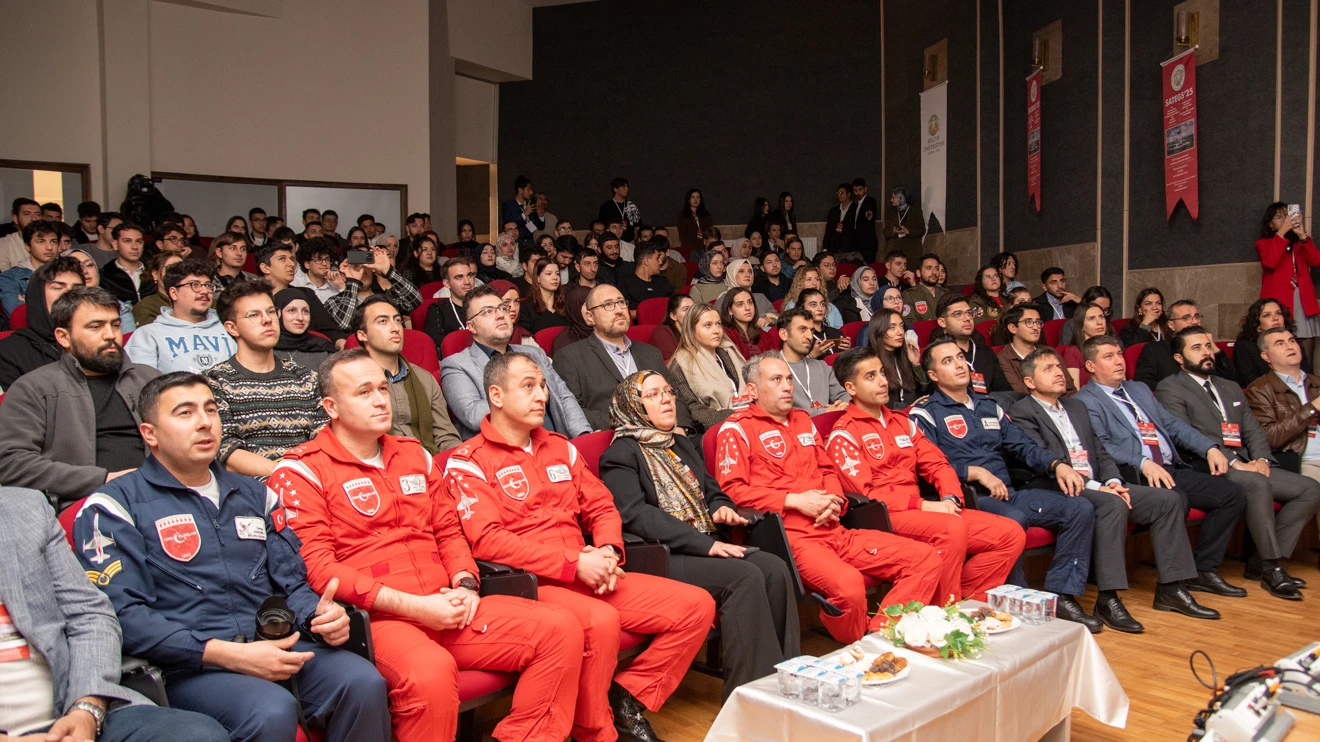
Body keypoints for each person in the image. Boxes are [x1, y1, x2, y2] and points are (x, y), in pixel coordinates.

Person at [269, 351, 581, 741]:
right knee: (431, 672)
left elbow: (449, 531)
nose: (382, 399)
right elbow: (319, 569)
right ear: (331, 407)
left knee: (560, 629)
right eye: (364, 392)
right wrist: (418, 607)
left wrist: (466, 584)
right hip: (379, 619)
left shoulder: (414, 453)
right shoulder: (300, 470)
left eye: (383, 387)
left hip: (445, 602)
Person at [73, 372, 390, 742]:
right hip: (189, 666)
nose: (205, 422)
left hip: (273, 645)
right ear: (150, 433)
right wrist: (226, 654)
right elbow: (125, 617)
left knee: (364, 681)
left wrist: (318, 616)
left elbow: (292, 585)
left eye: (211, 409)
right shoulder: (115, 506)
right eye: (185, 413)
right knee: (271, 708)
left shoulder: (255, 495)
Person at [446, 351, 714, 742]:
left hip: (589, 569)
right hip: (532, 583)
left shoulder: (562, 448)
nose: (542, 395)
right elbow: (489, 541)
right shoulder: (468, 461)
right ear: (496, 396)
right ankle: (595, 731)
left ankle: (626, 699)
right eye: (528, 386)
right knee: (600, 622)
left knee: (696, 607)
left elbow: (603, 507)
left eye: (542, 386)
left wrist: (607, 551)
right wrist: (574, 562)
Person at [600, 370, 800, 700]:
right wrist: (707, 545)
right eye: (653, 395)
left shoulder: (681, 442)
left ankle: (786, 676)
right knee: (744, 576)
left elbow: (712, 489)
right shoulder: (620, 454)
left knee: (773, 567)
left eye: (667, 391)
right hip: (662, 555)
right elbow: (637, 516)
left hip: (706, 541)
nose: (666, 399)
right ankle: (750, 698)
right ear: (632, 406)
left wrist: (721, 507)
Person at [716, 352, 941, 642]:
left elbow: (828, 469)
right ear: (752, 390)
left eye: (788, 379)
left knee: (924, 558)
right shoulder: (736, 429)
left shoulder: (802, 421)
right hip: (792, 540)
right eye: (776, 380)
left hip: (835, 529)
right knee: (849, 586)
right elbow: (732, 491)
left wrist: (835, 500)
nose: (787, 386)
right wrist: (794, 500)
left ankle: (882, 638)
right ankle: (860, 646)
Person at [1009, 347, 1220, 627]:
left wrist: (1113, 481)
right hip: (1060, 487)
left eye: (1059, 366)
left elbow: (1101, 452)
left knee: (1166, 501)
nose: (1059, 372)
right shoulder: (1022, 412)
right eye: (1048, 369)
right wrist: (1099, 487)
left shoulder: (1076, 406)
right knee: (1112, 503)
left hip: (1100, 484)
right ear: (1030, 382)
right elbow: (1039, 460)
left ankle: (1171, 588)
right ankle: (1108, 598)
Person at [0, 486, 231, 741]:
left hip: (70, 706)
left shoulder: (24, 507)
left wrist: (86, 708)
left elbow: (89, 614)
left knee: (197, 736)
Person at [910, 337, 1101, 631]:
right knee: (1015, 520)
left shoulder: (989, 406)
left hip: (1007, 493)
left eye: (960, 357)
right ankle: (1017, 603)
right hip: (966, 498)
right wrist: (972, 472)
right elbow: (922, 466)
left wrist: (1056, 464)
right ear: (933, 375)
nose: (959, 364)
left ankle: (1062, 595)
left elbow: (1023, 446)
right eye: (948, 361)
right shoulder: (924, 412)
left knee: (1080, 508)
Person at [828, 347, 1024, 604]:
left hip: (924, 510)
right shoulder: (844, 434)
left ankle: (962, 603)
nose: (883, 381)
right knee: (951, 528)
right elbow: (868, 496)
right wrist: (925, 505)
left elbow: (939, 465)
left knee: (1011, 533)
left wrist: (951, 498)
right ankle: (945, 609)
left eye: (883, 373)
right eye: (871, 376)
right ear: (851, 388)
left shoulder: (903, 422)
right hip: (886, 515)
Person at [1075, 335, 1249, 599]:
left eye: (1120, 354)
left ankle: (1204, 569)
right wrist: (1142, 462)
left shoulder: (1139, 390)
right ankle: (1173, 584)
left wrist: (1210, 448)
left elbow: (1173, 425)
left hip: (1169, 467)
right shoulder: (1085, 400)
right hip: (1132, 474)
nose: (1119, 361)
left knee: (1231, 494)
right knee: (1174, 500)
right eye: (1108, 357)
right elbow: (1103, 446)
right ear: (1090, 366)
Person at [1157, 327, 1319, 599]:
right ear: (1179, 358)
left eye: (1208, 346)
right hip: (1204, 465)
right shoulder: (1170, 387)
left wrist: (1262, 458)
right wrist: (1235, 462)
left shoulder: (1228, 385)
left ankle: (1259, 561)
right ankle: (1271, 567)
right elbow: (1185, 434)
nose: (1206, 352)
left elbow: (1253, 429)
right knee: (1256, 484)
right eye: (1196, 348)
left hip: (1247, 463)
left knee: (1310, 489)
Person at [0, 286, 156, 508]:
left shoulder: (149, 378)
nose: (110, 335)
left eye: (115, 324)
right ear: (64, 337)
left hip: (161, 495)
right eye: (95, 326)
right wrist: (103, 480)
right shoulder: (34, 388)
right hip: (85, 503)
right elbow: (10, 462)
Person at [204, 279, 328, 478]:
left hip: (312, 484)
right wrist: (289, 475)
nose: (267, 320)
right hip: (250, 493)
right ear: (232, 328)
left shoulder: (306, 378)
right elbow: (226, 451)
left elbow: (324, 440)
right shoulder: (215, 381)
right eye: (254, 315)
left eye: (271, 312)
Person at [441, 285, 589, 439]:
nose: (500, 315)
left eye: (502, 308)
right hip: (504, 454)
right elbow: (473, 415)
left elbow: (564, 397)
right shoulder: (457, 365)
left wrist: (583, 435)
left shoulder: (534, 353)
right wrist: (524, 391)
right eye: (488, 311)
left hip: (556, 443)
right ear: (471, 327)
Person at [553, 284, 692, 432]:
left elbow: (676, 395)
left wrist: (680, 427)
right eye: (608, 305)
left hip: (667, 434)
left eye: (621, 302)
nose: (619, 310)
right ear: (590, 317)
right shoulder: (570, 357)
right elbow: (573, 412)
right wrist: (632, 424)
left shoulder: (651, 353)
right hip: (616, 440)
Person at [352, 297, 461, 452]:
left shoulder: (424, 378)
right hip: (380, 466)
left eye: (397, 320)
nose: (395, 327)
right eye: (383, 321)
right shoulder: (353, 381)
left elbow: (445, 436)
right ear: (363, 335)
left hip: (429, 463)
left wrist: (460, 463)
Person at [126, 260, 236, 374]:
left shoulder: (230, 327)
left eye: (208, 285)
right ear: (174, 293)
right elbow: (140, 383)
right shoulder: (148, 335)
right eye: (195, 285)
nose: (205, 291)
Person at [1246, 328, 1320, 496]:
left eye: (1292, 341)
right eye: (1280, 343)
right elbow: (1270, 438)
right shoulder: (1259, 389)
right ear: (1266, 356)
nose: (1289, 346)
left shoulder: (1317, 382)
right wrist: (1311, 408)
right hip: (1304, 461)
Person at [1256, 201, 1320, 362]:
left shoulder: (1299, 243)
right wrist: (1282, 232)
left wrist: (1302, 235)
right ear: (1271, 224)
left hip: (1302, 300)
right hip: (1280, 302)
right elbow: (1270, 262)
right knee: (1280, 346)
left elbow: (1316, 261)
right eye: (1279, 216)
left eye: (1286, 214)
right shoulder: (1263, 244)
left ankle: (1308, 383)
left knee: (1306, 349)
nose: (1284, 218)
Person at [668, 304, 746, 429]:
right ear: (692, 330)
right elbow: (694, 410)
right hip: (716, 427)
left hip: (749, 417)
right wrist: (739, 415)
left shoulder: (729, 352)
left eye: (718, 324)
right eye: (708, 325)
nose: (716, 330)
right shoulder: (680, 364)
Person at [1134, 299, 1236, 390]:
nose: (1194, 322)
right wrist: (1180, 390)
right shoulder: (1155, 350)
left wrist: (1212, 346)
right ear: (1171, 325)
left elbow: (1233, 381)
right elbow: (1143, 383)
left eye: (1196, 317)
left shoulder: (1207, 350)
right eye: (1186, 318)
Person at [324, 246, 421, 331]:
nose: (363, 272)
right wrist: (353, 282)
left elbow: (416, 300)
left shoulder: (386, 299)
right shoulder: (334, 302)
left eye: (366, 266)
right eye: (356, 267)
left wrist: (389, 271)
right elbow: (345, 324)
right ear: (343, 273)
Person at [933, 293, 1012, 395]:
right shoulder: (938, 356)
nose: (967, 318)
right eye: (958, 314)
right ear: (942, 322)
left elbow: (1004, 391)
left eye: (969, 313)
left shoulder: (986, 352)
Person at [777, 309, 849, 414]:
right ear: (784, 334)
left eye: (811, 331)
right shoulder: (770, 370)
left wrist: (843, 405)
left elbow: (843, 395)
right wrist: (824, 411)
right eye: (802, 329)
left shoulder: (822, 367)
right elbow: (779, 412)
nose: (810, 336)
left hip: (829, 426)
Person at [997, 303, 1077, 395]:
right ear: (1013, 328)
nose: (1036, 327)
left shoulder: (1050, 352)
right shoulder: (1003, 359)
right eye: (1029, 322)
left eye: (1038, 322)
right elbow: (1021, 395)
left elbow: (1070, 389)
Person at [1236, 297, 1309, 385]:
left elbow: (1308, 378)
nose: (1275, 318)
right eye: (1267, 315)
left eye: (1279, 313)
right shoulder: (1245, 347)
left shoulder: (1295, 345)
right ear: (1257, 325)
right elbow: (1250, 381)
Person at [867, 307, 928, 409]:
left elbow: (924, 389)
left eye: (901, 326)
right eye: (892, 327)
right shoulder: (870, 363)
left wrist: (916, 364)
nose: (900, 332)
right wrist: (907, 410)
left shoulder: (905, 356)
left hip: (914, 414)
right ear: (879, 331)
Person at [0, 219, 63, 316]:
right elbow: (17, 315)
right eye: (41, 241)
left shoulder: (68, 273)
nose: (49, 247)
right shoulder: (10, 278)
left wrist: (30, 303)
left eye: (53, 241)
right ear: (27, 246)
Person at [273, 288, 338, 370]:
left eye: (305, 311)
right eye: (292, 310)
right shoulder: (264, 348)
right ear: (276, 314)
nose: (300, 318)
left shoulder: (323, 348)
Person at [423, 255, 478, 349]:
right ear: (447, 284)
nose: (467, 282)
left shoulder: (484, 306)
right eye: (459, 277)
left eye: (469, 275)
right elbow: (436, 343)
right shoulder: (437, 309)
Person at [1060, 302, 1116, 388]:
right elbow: (1074, 393)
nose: (1099, 322)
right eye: (1091, 319)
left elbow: (1122, 383)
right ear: (1081, 325)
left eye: (1101, 317)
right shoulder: (1073, 352)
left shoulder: (1113, 348)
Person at [721, 287, 778, 359]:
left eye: (750, 302)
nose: (747, 308)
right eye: (740, 304)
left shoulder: (762, 334)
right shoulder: (726, 334)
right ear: (730, 311)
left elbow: (775, 358)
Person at [130, 251, 183, 327]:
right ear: (155, 274)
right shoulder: (147, 306)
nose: (178, 274)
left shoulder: (194, 301)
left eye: (183, 269)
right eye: (171, 268)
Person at [292, 237, 344, 304]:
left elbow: (347, 311)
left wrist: (341, 286)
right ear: (307, 264)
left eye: (327, 259)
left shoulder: (336, 285)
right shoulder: (295, 283)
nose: (325, 264)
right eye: (318, 259)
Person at [0, 198, 43, 271]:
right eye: (27, 214)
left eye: (37, 214)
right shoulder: (4, 244)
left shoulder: (50, 243)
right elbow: (5, 275)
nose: (33, 219)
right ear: (15, 218)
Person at [901, 254, 945, 322]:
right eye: (929, 268)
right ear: (918, 273)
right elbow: (909, 323)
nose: (934, 272)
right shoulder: (910, 295)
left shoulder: (946, 294)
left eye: (936, 268)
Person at [884, 186, 925, 260]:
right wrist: (893, 231)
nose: (891, 200)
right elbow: (885, 231)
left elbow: (922, 230)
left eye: (894, 197)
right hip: (894, 252)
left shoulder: (915, 211)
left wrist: (908, 231)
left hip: (911, 253)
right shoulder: (890, 213)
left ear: (901, 198)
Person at [649, 293, 693, 361]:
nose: (692, 313)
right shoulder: (661, 332)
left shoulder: (697, 330)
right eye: (686, 309)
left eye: (694, 309)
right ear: (673, 316)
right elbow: (672, 363)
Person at [598, 177, 642, 242]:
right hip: (611, 241)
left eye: (627, 187)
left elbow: (637, 227)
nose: (627, 189)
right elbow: (602, 226)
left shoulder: (631, 206)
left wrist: (634, 240)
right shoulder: (606, 206)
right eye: (624, 187)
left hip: (630, 242)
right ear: (616, 189)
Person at [822, 183, 856, 256]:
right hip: (834, 248)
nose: (839, 195)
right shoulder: (833, 211)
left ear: (848, 194)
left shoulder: (856, 209)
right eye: (838, 193)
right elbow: (828, 230)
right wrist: (825, 247)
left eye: (842, 193)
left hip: (850, 248)